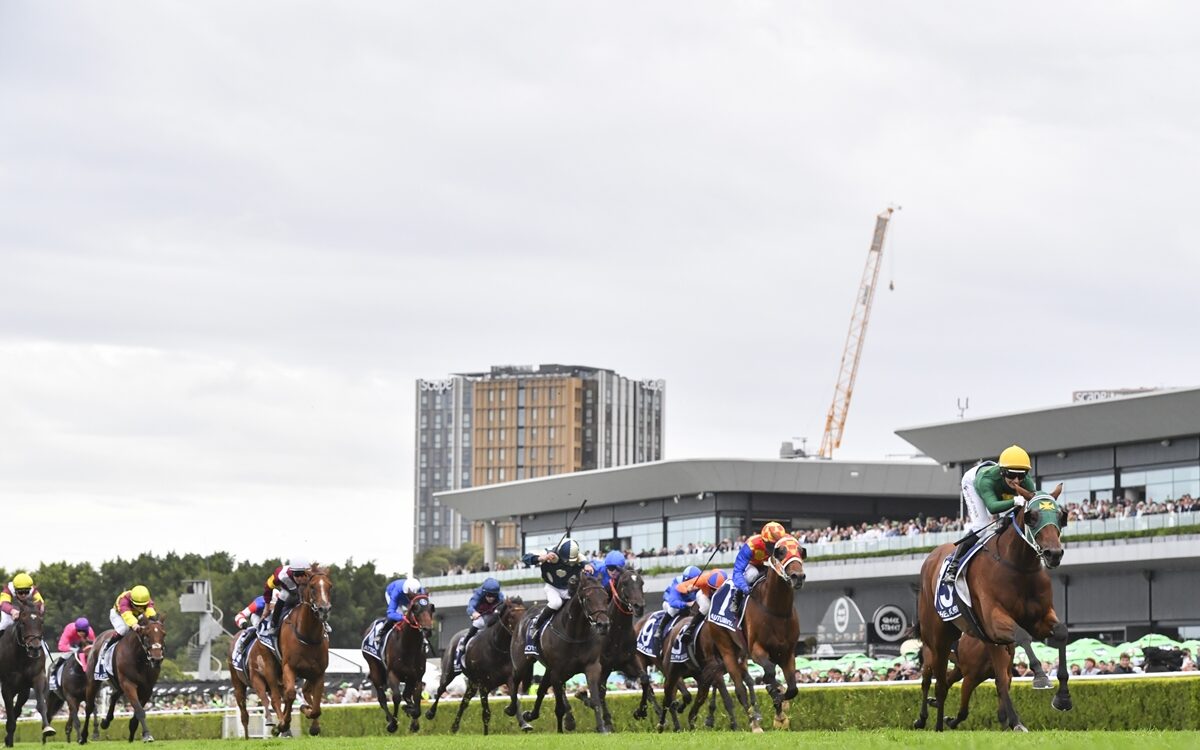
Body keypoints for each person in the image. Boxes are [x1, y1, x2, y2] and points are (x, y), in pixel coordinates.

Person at [942, 445, 1037, 583]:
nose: (1017, 480)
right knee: (981, 525)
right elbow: (992, 507)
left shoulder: (1026, 481)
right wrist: (1016, 501)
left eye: (1021, 475)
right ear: (1002, 472)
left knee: (1010, 521)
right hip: (973, 483)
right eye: (1011, 475)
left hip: (998, 486)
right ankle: (953, 566)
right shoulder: (986, 480)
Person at [521, 538, 594, 635]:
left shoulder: (578, 556)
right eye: (567, 561)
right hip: (552, 587)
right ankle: (536, 624)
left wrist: (587, 566)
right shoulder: (548, 552)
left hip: (569, 589)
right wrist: (541, 558)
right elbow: (525, 558)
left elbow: (585, 562)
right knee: (556, 603)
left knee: (582, 603)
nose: (570, 564)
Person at [731, 522, 788, 612]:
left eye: (777, 545)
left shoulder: (787, 541)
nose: (774, 548)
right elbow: (737, 571)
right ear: (763, 540)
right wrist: (744, 587)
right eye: (771, 545)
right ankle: (737, 597)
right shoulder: (751, 545)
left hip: (770, 565)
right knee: (752, 574)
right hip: (753, 565)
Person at [456, 578, 505, 667]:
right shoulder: (478, 594)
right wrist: (474, 613)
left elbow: (503, 607)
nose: (491, 598)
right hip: (480, 615)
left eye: (494, 595)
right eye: (489, 595)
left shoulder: (501, 596)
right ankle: (464, 642)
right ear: (484, 592)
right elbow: (470, 607)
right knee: (479, 623)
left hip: (493, 616)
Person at [262, 557, 312, 637]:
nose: (300, 578)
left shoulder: (312, 575)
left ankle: (323, 623)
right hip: (288, 591)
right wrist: (267, 607)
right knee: (283, 595)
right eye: (296, 575)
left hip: (304, 590)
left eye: (302, 574)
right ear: (292, 572)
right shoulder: (281, 574)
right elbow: (268, 586)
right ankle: (273, 625)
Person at [676, 568, 728, 645]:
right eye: (713, 589)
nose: (715, 592)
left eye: (717, 590)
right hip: (704, 595)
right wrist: (687, 590)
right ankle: (689, 630)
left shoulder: (728, 583)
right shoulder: (702, 579)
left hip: (720, 597)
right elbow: (680, 586)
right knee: (706, 607)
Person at [654, 565, 701, 646]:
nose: (688, 584)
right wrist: (687, 604)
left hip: (687, 602)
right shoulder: (677, 583)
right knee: (674, 609)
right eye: (687, 581)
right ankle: (660, 629)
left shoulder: (700, 583)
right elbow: (673, 602)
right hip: (670, 602)